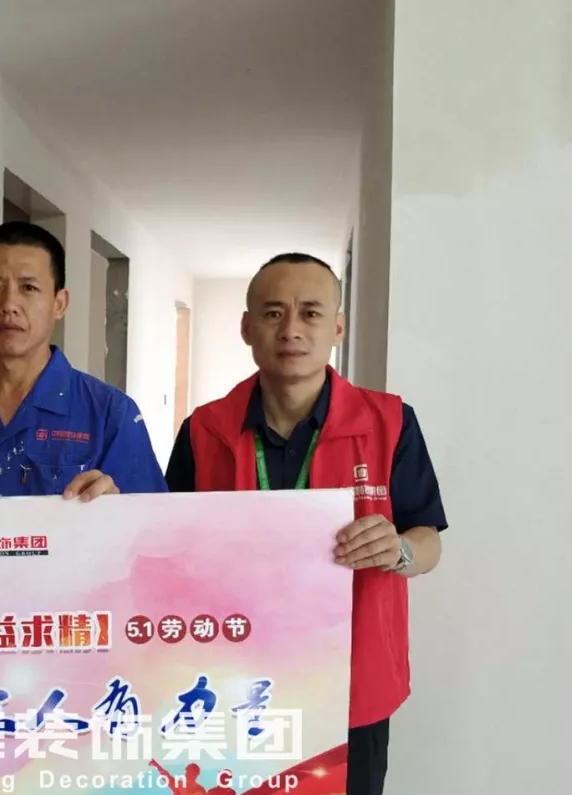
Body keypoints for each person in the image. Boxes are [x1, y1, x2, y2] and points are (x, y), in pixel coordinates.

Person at [165, 253, 447, 795]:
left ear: (337, 327)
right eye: (273, 313)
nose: (291, 329)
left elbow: (428, 540)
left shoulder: (389, 423)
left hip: (352, 686)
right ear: (246, 327)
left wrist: (399, 550)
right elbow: (166, 547)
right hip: (232, 680)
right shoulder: (205, 430)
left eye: (311, 313)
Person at [0, 221, 166, 500]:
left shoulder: (110, 415)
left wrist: (119, 509)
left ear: (59, 303)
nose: (8, 305)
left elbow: (156, 524)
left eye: (28, 287)